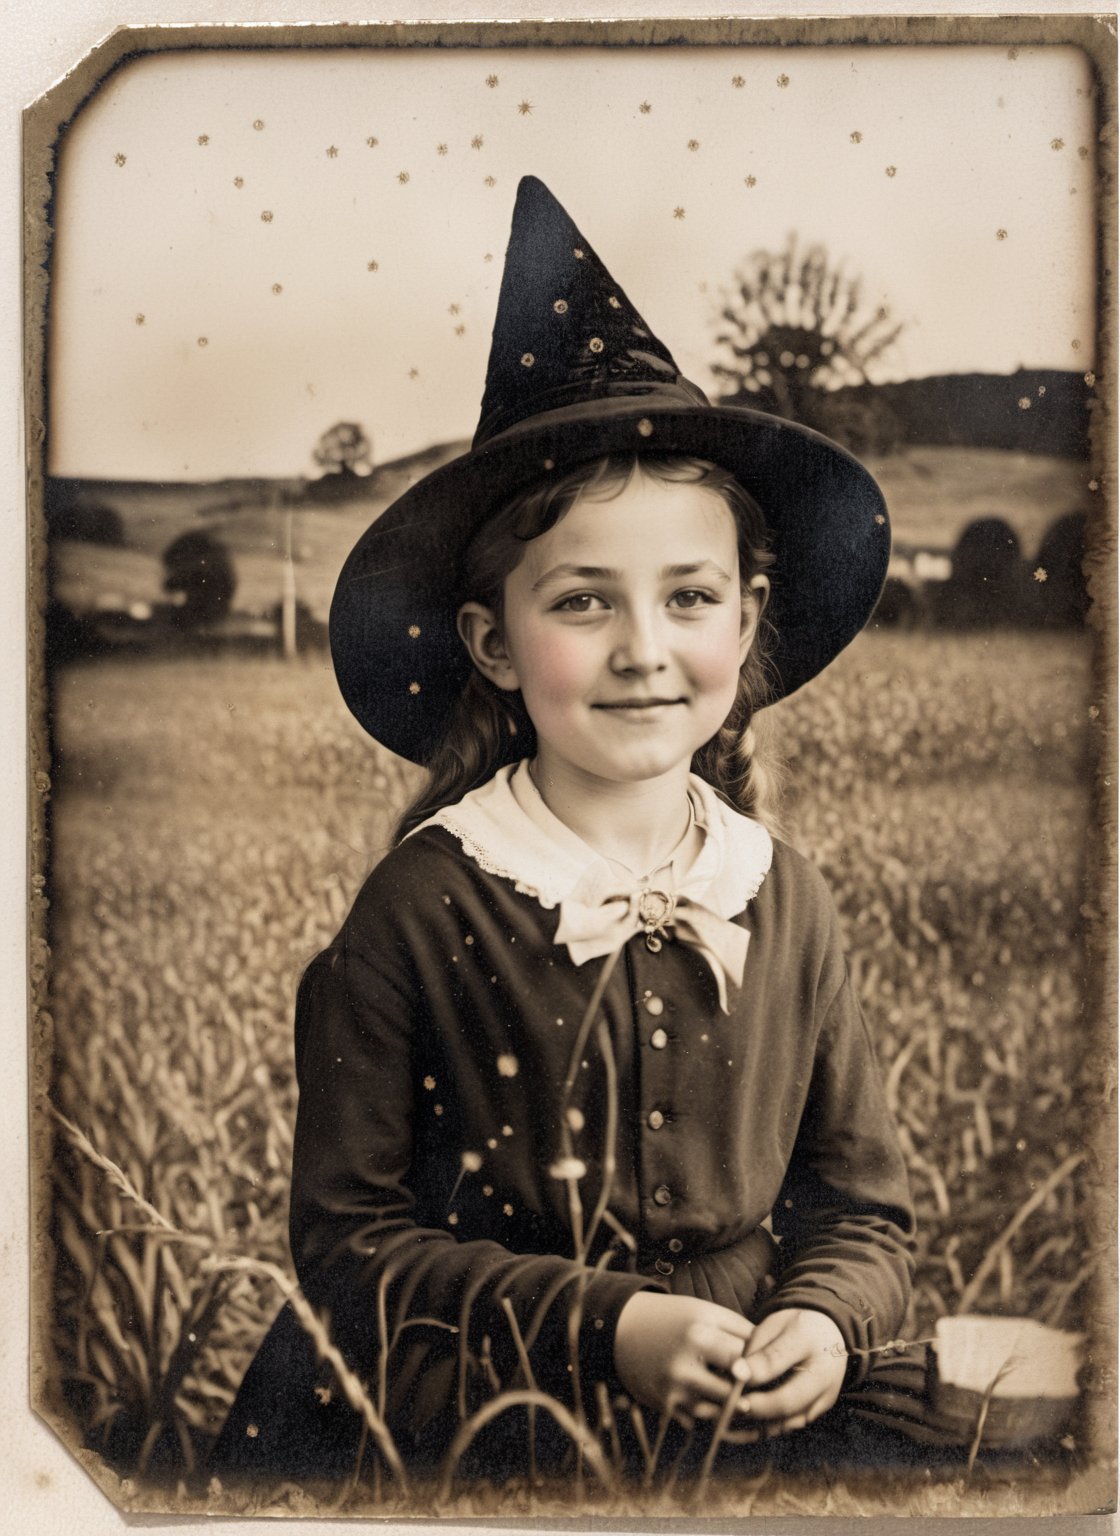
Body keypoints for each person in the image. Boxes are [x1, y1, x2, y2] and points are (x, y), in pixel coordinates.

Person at [211, 177, 947, 1489]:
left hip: (757, 1414)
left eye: (690, 596)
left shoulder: (788, 898)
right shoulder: (420, 909)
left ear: (745, 618)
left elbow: (861, 1213)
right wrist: (614, 1327)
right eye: (584, 603)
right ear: (492, 640)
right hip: (485, 1404)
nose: (646, 652)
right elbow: (348, 1248)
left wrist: (827, 1328)